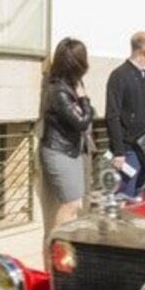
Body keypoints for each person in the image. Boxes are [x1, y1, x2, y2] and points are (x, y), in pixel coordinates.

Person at [40, 37, 94, 227]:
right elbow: (81, 122)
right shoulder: (59, 91)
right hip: (59, 151)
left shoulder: (71, 85)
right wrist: (85, 100)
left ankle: (64, 247)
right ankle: (55, 248)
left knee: (76, 205)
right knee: (70, 205)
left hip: (71, 150)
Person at [104, 31, 145, 197]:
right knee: (125, 196)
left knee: (143, 196)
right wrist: (119, 152)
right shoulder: (119, 76)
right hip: (129, 151)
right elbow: (112, 115)